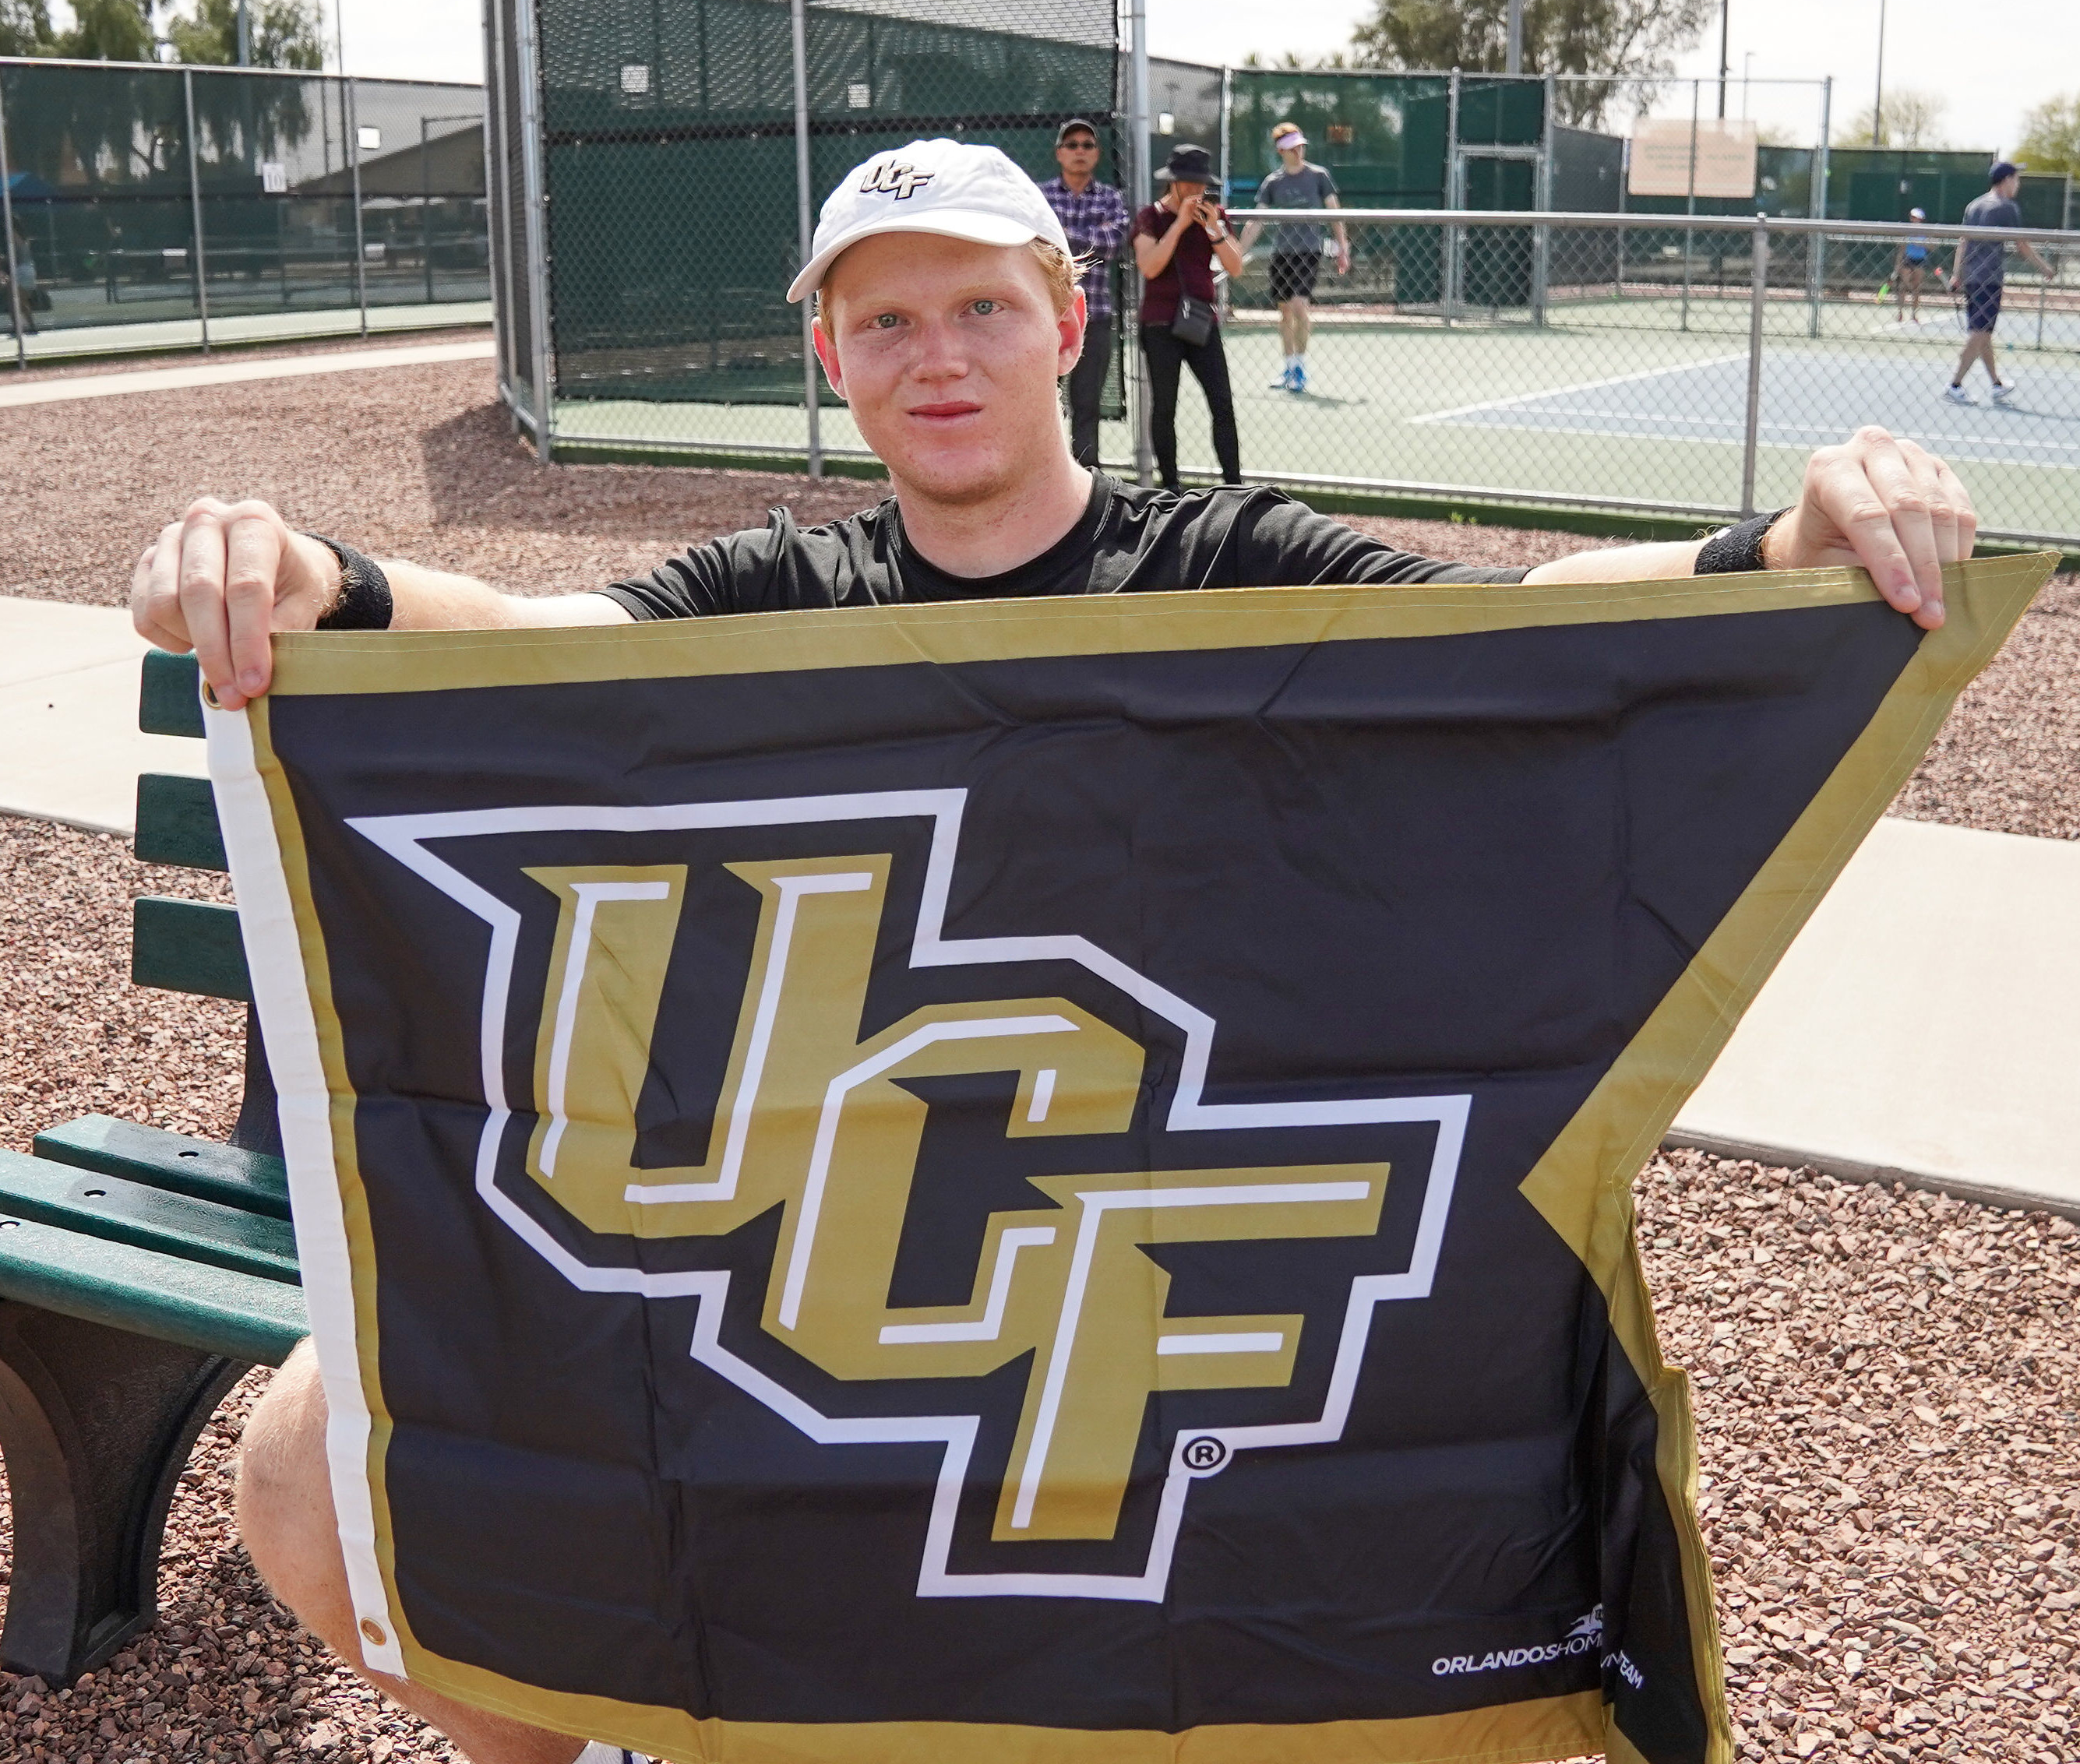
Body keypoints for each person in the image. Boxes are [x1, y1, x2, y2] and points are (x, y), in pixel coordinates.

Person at [135, 136, 1980, 1764]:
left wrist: (1771, 546)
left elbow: (1516, 638)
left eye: (979, 309)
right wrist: (329, 578)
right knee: (309, 1456)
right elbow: (534, 631)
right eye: (884, 323)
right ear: (829, 359)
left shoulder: (1227, 562)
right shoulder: (763, 608)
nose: (935, 357)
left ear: (1068, 322)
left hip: (1146, 1301)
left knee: (1490, 1487)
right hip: (810, 1284)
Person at [1132, 143, 1244, 491]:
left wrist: (1215, 230)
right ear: (1174, 182)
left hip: (1200, 321)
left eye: (1201, 184)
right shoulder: (1150, 217)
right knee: (1165, 406)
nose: (1196, 191)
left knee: (1222, 403)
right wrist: (1179, 224)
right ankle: (1171, 487)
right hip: (1161, 323)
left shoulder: (1215, 215)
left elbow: (1235, 267)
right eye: (1189, 183)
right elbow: (1149, 267)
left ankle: (1234, 486)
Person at [1038, 117, 1129, 470]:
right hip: (1043, 315)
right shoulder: (1040, 195)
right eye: (1072, 145)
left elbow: (1114, 242)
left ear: (1097, 154)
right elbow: (1036, 244)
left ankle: (1086, 478)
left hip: (1096, 315)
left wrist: (1062, 235)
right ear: (1060, 153)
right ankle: (1043, 472)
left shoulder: (1111, 197)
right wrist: (1091, 234)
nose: (1080, 151)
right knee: (1039, 400)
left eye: (1087, 145)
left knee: (1087, 403)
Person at [1236, 122, 1348, 393]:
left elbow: (1335, 213)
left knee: (1299, 306)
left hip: (1309, 252)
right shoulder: (1273, 182)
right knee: (1285, 310)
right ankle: (1288, 368)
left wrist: (1344, 247)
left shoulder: (1319, 176)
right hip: (1282, 252)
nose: (1298, 151)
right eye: (1291, 148)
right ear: (1280, 151)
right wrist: (1237, 253)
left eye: (1300, 146)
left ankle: (1299, 367)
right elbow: (1256, 220)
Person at [1945, 161, 2055, 405]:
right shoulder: (2007, 207)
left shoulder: (1974, 205)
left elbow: (1963, 241)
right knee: (1979, 333)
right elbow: (2022, 244)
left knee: (1984, 333)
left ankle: (1996, 383)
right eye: (2016, 178)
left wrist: (1957, 274)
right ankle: (1954, 385)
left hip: (1974, 278)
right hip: (1989, 279)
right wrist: (2044, 268)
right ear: (2006, 180)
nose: (2018, 183)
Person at [1891, 207, 1940, 324]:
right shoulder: (1907, 231)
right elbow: (1901, 249)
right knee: (1903, 286)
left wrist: (1923, 244)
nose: (1914, 219)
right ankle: (1900, 313)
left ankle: (1914, 315)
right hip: (1907, 260)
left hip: (1920, 261)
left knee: (1916, 288)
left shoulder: (1926, 232)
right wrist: (1897, 266)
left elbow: (1934, 246)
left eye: (1917, 218)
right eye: (1912, 217)